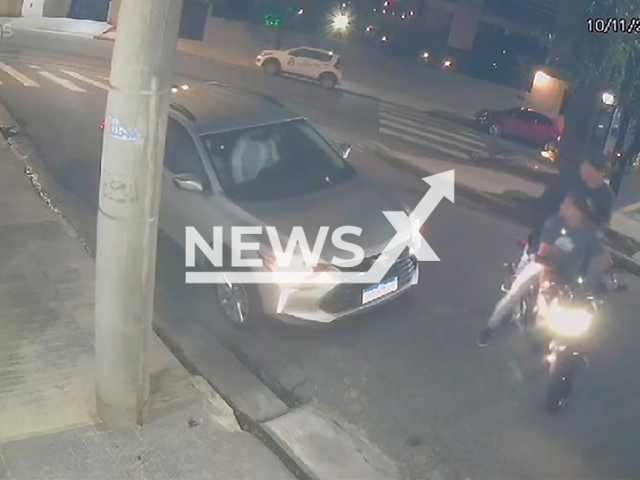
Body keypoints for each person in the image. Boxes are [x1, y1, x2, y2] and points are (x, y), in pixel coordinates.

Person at [478, 191, 607, 347]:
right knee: (515, 292)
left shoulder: (589, 231)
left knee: (564, 306)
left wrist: (602, 275)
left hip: (567, 272)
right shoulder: (554, 222)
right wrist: (546, 274)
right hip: (543, 264)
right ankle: (491, 326)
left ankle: (550, 335)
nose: (562, 206)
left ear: (577, 210)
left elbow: (600, 255)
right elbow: (544, 249)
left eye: (566, 203)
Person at [513, 153, 615, 277]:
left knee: (580, 271)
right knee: (533, 262)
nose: (583, 167)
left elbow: (602, 222)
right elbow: (546, 202)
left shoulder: (606, 196)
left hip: (578, 239)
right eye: (584, 165)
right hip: (552, 229)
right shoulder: (568, 181)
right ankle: (518, 278)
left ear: (598, 172)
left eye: (587, 166)